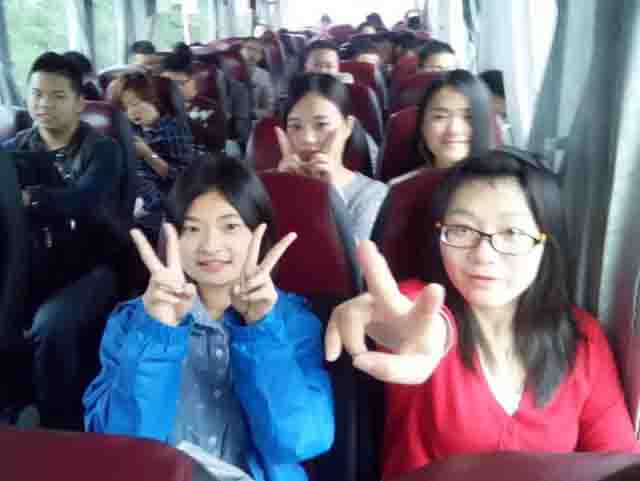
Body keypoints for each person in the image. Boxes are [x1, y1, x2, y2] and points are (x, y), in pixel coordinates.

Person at [325, 149, 639, 480]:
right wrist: (411, 334)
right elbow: (416, 321)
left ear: (546, 242)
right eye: (462, 230)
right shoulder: (423, 307)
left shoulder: (582, 339)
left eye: (512, 233)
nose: (483, 255)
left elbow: (617, 463)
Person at [84, 154, 334, 481]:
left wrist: (262, 330)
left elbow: (298, 441)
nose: (210, 245)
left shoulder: (294, 322)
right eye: (192, 228)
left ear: (258, 234)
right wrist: (158, 333)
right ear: (173, 238)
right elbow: (122, 446)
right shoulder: (133, 322)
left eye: (230, 226)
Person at [2, 52, 123, 430]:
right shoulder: (14, 150)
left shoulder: (102, 150)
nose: (44, 104)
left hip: (93, 265)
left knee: (51, 325)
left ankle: (60, 425)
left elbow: (84, 199)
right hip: (32, 263)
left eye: (57, 96)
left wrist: (28, 198)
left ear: (79, 103)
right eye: (36, 94)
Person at [276, 73, 388, 240]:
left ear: (347, 127)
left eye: (321, 125)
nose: (307, 138)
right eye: (296, 126)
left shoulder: (372, 194)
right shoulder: (263, 188)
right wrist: (280, 191)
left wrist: (330, 194)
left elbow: (356, 256)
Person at [110, 71, 195, 241]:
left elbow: (182, 177)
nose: (131, 112)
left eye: (135, 104)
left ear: (151, 99)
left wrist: (148, 154)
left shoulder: (173, 128)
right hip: (133, 189)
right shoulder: (128, 129)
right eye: (125, 108)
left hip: (163, 194)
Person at [413, 69, 493, 168]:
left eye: (468, 117)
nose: (454, 130)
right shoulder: (410, 179)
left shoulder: (505, 177)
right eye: (440, 117)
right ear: (422, 125)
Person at [161, 43, 227, 153]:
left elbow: (217, 145)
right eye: (166, 84)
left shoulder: (210, 108)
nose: (171, 90)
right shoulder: (156, 107)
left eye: (178, 84)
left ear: (192, 81)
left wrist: (182, 116)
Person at [240, 37, 276, 121]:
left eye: (257, 51)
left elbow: (269, 109)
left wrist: (251, 114)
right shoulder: (228, 73)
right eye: (249, 48)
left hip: (253, 121)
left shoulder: (264, 76)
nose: (252, 53)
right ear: (240, 51)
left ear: (261, 56)